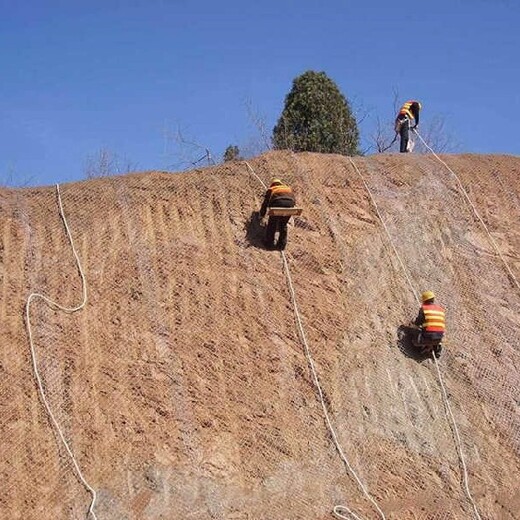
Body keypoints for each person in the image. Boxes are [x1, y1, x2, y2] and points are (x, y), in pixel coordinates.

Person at [259, 178, 296, 250]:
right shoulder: (288, 188)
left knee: (272, 224)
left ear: (272, 184)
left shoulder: (271, 189)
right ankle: (282, 245)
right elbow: (294, 200)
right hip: (290, 206)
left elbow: (265, 204)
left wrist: (262, 215)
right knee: (283, 225)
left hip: (277, 204)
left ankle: (269, 244)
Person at [412, 290, 445, 358]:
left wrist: (413, 324)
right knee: (434, 333)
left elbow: (418, 323)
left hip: (428, 337)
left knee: (415, 332)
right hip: (439, 338)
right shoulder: (441, 309)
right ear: (433, 299)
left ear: (424, 301)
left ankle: (423, 348)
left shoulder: (424, 309)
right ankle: (436, 348)